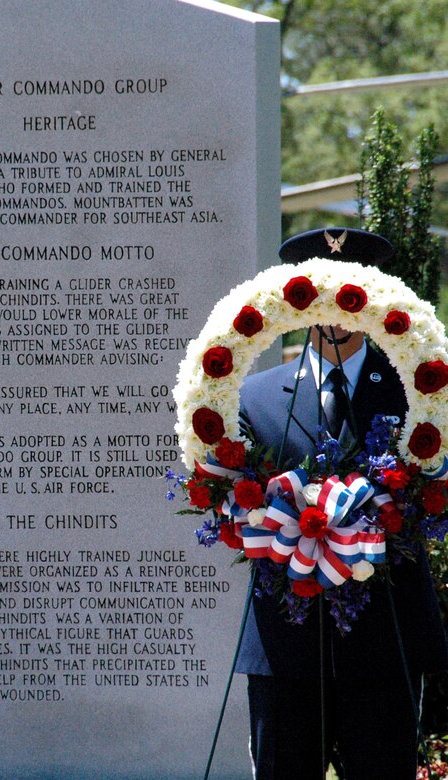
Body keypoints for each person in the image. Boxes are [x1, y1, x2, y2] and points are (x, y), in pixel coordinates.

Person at [234, 228, 448, 780]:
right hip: (287, 644)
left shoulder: (419, 394)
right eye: (320, 292)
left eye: (348, 290)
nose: (335, 308)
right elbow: (234, 507)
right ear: (300, 300)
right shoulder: (255, 399)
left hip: (386, 639)